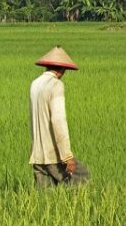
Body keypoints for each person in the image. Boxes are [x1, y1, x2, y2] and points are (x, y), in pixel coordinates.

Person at [29, 46, 89, 188]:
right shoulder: (56, 85)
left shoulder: (35, 84)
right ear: (62, 69)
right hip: (53, 154)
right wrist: (67, 156)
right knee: (82, 178)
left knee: (45, 199)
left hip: (37, 153)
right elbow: (58, 121)